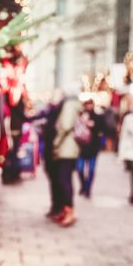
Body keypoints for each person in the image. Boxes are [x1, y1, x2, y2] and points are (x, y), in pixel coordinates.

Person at [51, 87, 82, 226]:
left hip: (67, 148)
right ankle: (66, 210)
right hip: (68, 148)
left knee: (65, 180)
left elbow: (65, 125)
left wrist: (56, 143)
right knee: (64, 180)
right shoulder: (73, 104)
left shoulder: (69, 105)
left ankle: (69, 211)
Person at [76, 99, 104, 198]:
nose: (89, 107)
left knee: (91, 170)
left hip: (93, 148)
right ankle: (83, 185)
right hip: (81, 148)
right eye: (87, 105)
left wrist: (94, 126)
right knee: (79, 169)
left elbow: (102, 130)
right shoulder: (80, 116)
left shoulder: (97, 117)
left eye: (90, 104)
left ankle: (88, 189)